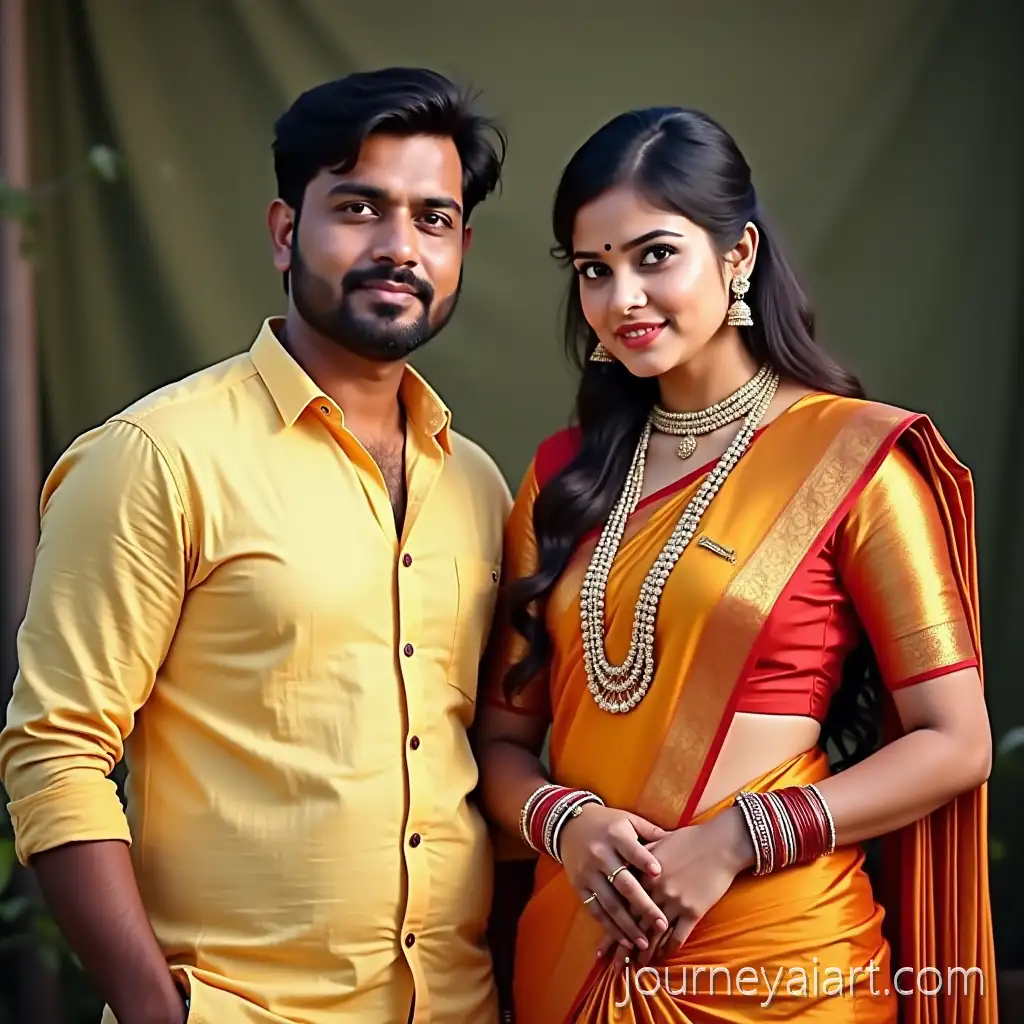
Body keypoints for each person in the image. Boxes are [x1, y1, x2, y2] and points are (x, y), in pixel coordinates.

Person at [0, 68, 510, 1024]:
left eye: (433, 220)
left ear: (462, 248)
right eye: (359, 207)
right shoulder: (155, 459)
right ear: (286, 230)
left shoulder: (477, 485)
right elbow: (56, 754)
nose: (400, 248)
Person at [475, 107, 997, 1023]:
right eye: (595, 271)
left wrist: (735, 840)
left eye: (654, 256)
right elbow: (504, 745)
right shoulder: (562, 477)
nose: (622, 298)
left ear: (739, 254)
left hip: (783, 960)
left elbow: (955, 740)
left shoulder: (851, 462)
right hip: (585, 945)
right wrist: (572, 824)